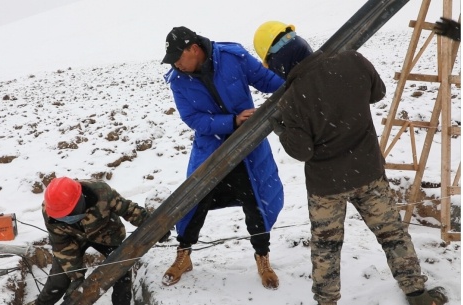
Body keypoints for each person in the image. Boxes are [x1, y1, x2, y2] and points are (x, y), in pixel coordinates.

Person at [253, 21, 448, 305]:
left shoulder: (292, 99)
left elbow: (302, 151)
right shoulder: (352, 60)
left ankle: (327, 301)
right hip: (368, 172)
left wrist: (283, 130)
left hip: (326, 188)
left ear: (277, 61)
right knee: (393, 234)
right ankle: (418, 294)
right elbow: (377, 93)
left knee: (326, 248)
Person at [160, 26, 285, 289]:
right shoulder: (178, 80)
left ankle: (262, 257)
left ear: (193, 49)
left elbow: (266, 80)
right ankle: (184, 256)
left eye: (178, 58)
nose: (176, 65)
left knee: (256, 200)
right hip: (211, 150)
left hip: (248, 149)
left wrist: (296, 85)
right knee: (194, 201)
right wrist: (231, 121)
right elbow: (192, 118)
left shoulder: (232, 56)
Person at [31, 176, 168, 305]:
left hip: (106, 234)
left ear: (79, 203)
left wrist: (156, 227)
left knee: (121, 272)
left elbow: (128, 209)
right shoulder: (51, 212)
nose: (66, 219)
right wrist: (76, 277)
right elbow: (62, 246)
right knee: (58, 280)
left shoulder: (102, 192)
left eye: (69, 214)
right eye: (62, 217)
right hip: (75, 239)